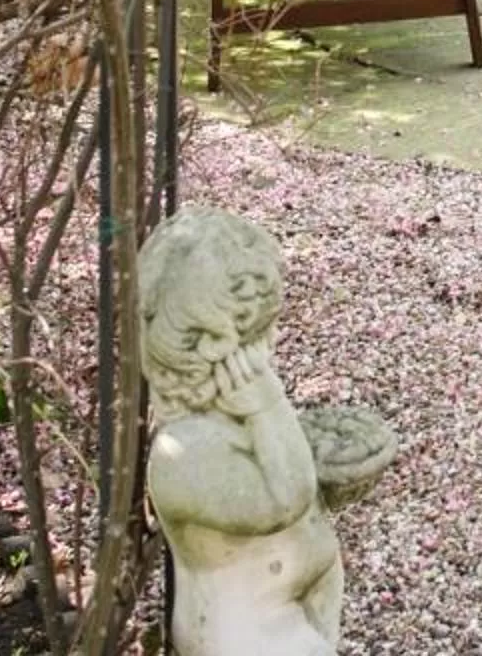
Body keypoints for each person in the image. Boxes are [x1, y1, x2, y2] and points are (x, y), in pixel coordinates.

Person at [140, 210, 343, 656]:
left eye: (261, 335)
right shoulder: (185, 453)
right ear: (199, 342)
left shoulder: (238, 415)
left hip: (297, 626)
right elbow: (287, 495)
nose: (258, 357)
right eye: (246, 341)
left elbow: (298, 482)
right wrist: (267, 401)